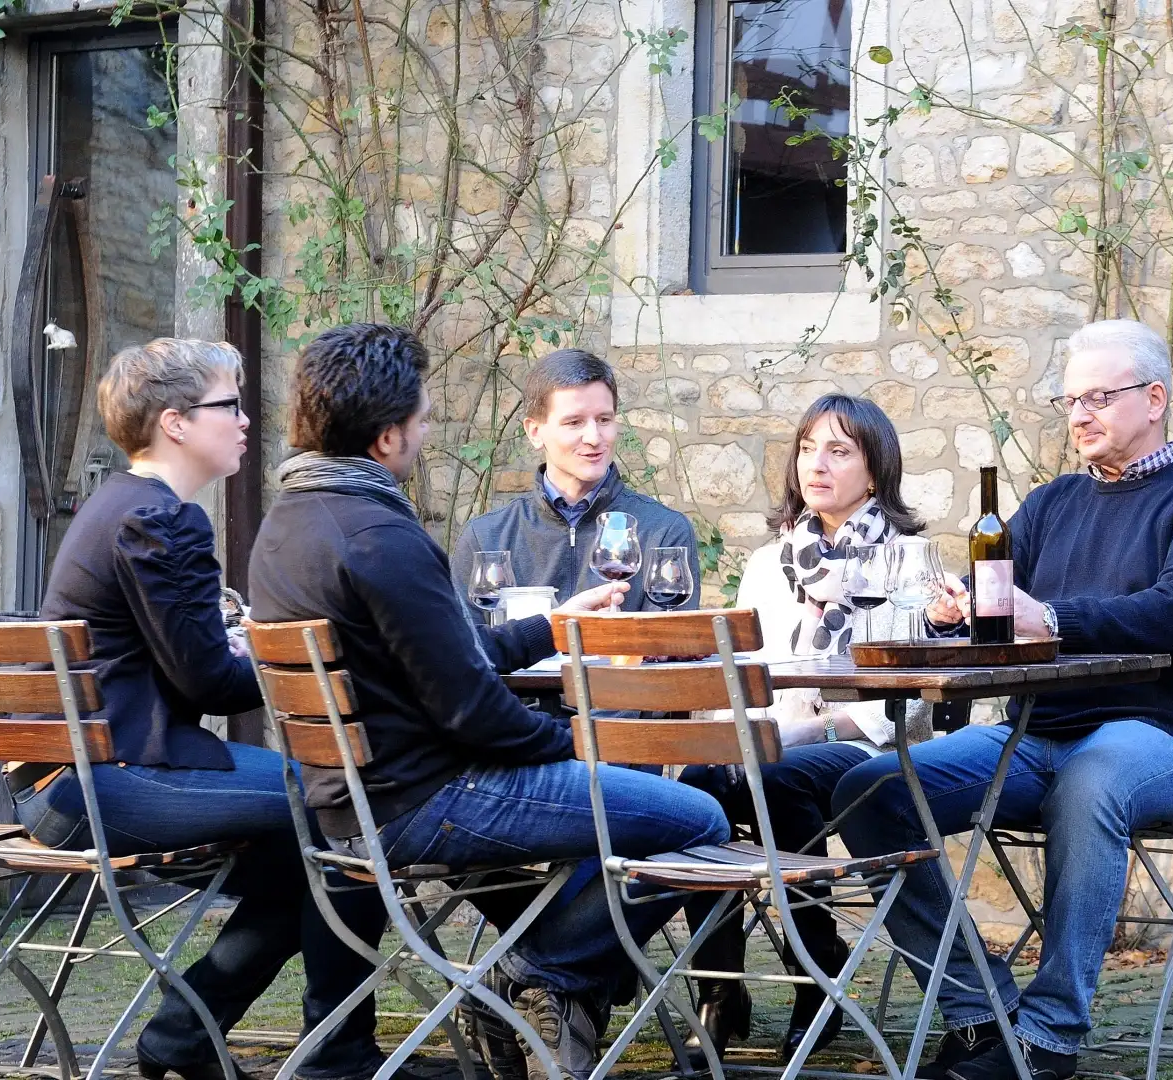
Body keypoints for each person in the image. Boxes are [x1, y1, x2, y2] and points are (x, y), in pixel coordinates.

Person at [245, 323, 730, 1080]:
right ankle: (535, 973)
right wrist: (572, 747)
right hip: (431, 796)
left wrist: (553, 628)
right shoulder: (380, 534)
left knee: (636, 809)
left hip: (352, 798)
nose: (428, 430)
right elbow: (472, 708)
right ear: (384, 437)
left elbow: (452, 658)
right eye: (422, 418)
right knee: (698, 818)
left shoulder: (290, 522)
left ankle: (525, 979)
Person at [832, 319, 1173, 1080]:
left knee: (1093, 776)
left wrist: (1057, 618)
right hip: (1040, 735)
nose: (1079, 414)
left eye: (1098, 396)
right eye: (1070, 400)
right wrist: (960, 612)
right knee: (871, 788)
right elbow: (1006, 617)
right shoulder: (1051, 503)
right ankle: (978, 1008)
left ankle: (1052, 1035)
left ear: (1154, 398)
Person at [14, 339, 393, 1080]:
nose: (246, 421)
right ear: (175, 422)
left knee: (300, 858)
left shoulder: (122, 506)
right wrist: (311, 649)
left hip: (64, 779)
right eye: (229, 405)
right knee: (345, 805)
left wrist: (239, 642)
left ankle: (187, 1034)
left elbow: (178, 659)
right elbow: (212, 686)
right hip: (105, 782)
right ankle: (339, 1057)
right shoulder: (161, 519)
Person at [676, 394, 934, 1065]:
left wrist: (807, 730)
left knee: (774, 776)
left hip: (862, 743)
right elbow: (745, 677)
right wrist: (753, 732)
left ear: (875, 471)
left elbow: (904, 705)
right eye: (807, 448)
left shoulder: (906, 560)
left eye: (838, 450)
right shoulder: (771, 563)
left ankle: (814, 970)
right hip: (772, 740)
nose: (815, 464)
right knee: (698, 787)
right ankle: (719, 986)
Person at [452, 349, 699, 622]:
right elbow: (466, 651)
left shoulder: (664, 531)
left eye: (604, 420)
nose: (594, 437)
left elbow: (667, 647)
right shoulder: (487, 537)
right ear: (535, 432)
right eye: (574, 422)